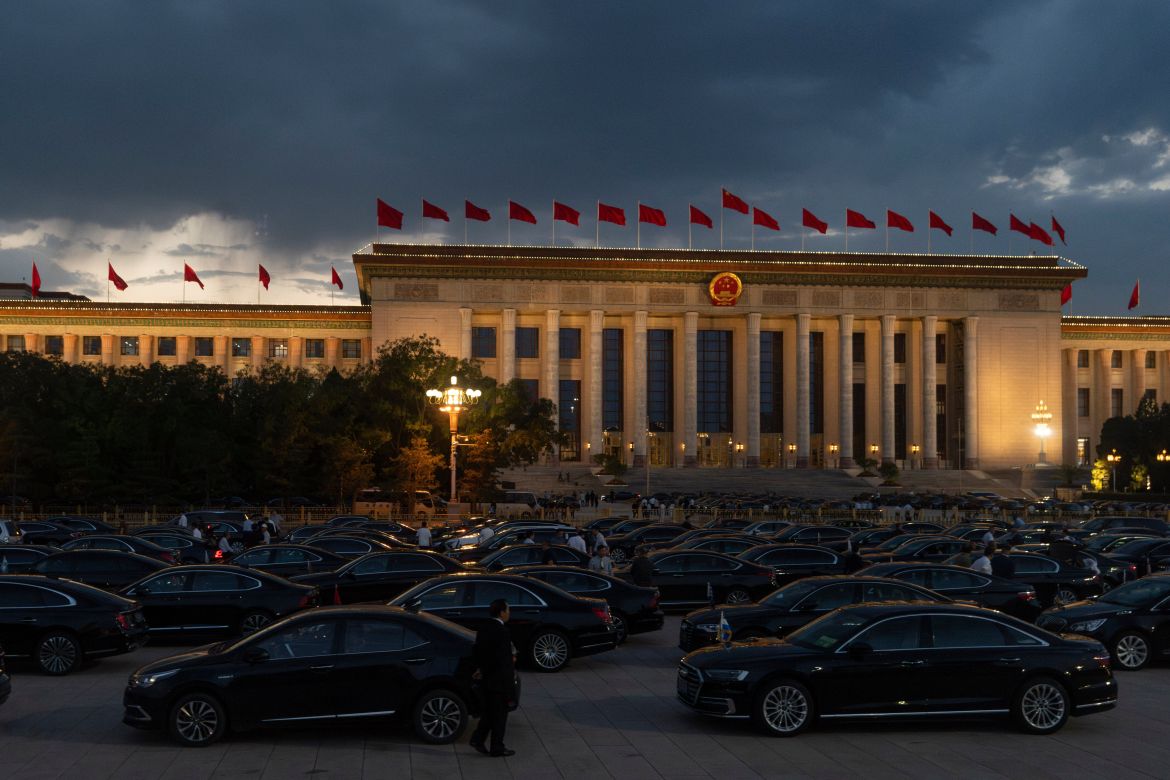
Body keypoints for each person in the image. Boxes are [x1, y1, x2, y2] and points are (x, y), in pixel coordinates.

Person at [469, 599, 516, 758]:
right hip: (499, 682)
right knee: (500, 716)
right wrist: (510, 687)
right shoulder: (503, 632)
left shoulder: (484, 628)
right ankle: (497, 746)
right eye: (508, 610)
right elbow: (503, 661)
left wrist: (480, 669)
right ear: (501, 612)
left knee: (489, 713)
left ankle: (478, 739)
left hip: (486, 679)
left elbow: (478, 651)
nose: (509, 613)